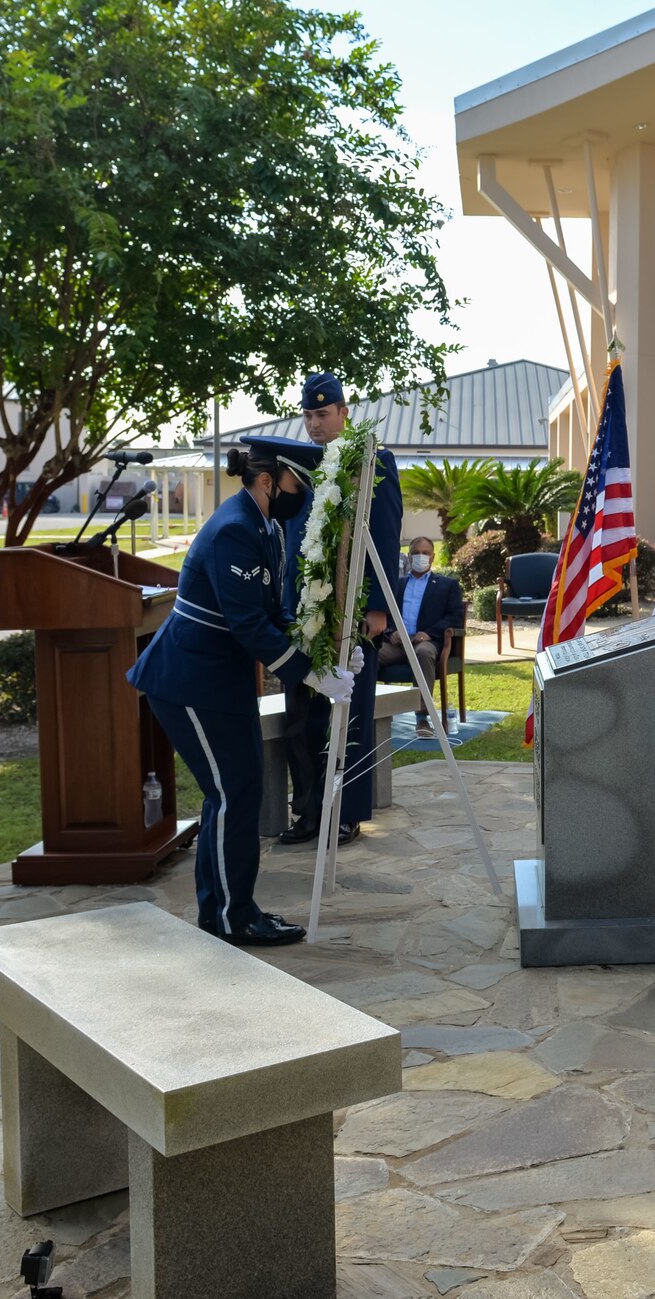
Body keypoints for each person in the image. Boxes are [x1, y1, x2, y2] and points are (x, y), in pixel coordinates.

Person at [128, 437, 358, 945]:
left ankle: (222, 912)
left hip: (217, 681)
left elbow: (273, 613)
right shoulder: (236, 529)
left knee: (232, 792)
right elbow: (249, 625)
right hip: (191, 681)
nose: (301, 495)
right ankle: (234, 917)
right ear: (267, 481)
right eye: (297, 484)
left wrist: (325, 656)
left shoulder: (265, 525)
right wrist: (310, 675)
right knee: (235, 792)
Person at [278, 372, 401, 847]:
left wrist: (376, 609)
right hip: (303, 614)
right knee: (301, 717)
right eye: (308, 415)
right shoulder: (299, 468)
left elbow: (386, 537)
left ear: (344, 413)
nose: (314, 424)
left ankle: (347, 814)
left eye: (322, 414)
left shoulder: (372, 462)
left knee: (350, 712)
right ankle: (307, 812)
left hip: (352, 615)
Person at [381, 536, 465, 738]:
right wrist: (391, 632)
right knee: (370, 655)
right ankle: (366, 714)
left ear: (433, 556)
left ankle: (422, 719)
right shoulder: (397, 584)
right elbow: (385, 613)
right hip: (397, 643)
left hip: (426, 642)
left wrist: (429, 633)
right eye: (416, 552)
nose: (421, 556)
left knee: (424, 654)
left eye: (425, 553)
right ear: (409, 556)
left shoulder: (447, 585)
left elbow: (455, 616)